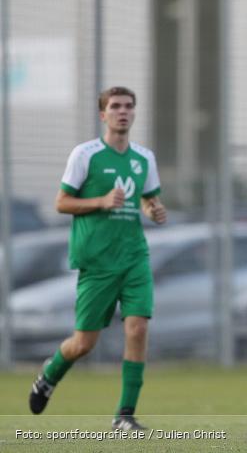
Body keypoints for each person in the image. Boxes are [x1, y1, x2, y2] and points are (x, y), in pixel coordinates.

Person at [28, 87, 167, 431]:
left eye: (129, 107)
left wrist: (154, 209)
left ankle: (125, 415)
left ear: (135, 113)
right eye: (115, 107)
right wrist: (101, 202)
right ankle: (49, 376)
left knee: (138, 327)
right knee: (83, 343)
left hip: (134, 256)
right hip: (97, 262)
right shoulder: (85, 155)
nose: (123, 112)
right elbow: (61, 203)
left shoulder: (144, 158)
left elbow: (148, 199)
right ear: (103, 115)